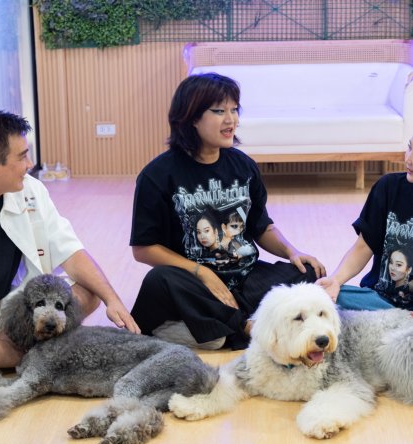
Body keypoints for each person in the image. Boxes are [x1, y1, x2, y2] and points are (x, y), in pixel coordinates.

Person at [129, 73, 325, 350]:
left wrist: (292, 252)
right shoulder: (157, 175)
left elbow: (261, 227)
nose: (231, 120)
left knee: (309, 272)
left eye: (234, 110)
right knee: (159, 280)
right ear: (191, 117)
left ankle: (215, 329)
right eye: (219, 111)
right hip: (194, 284)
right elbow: (144, 249)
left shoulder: (243, 166)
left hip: (245, 277)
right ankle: (245, 326)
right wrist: (202, 273)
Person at [0, 109, 140, 368]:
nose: (30, 164)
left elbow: (70, 251)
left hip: (13, 314)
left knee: (89, 291)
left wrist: (112, 300)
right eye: (22, 156)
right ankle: (16, 355)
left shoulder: (31, 190)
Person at [317, 137, 413, 312]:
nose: (409, 159)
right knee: (321, 299)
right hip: (378, 302)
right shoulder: (388, 187)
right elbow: (363, 247)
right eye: (410, 147)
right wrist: (335, 281)